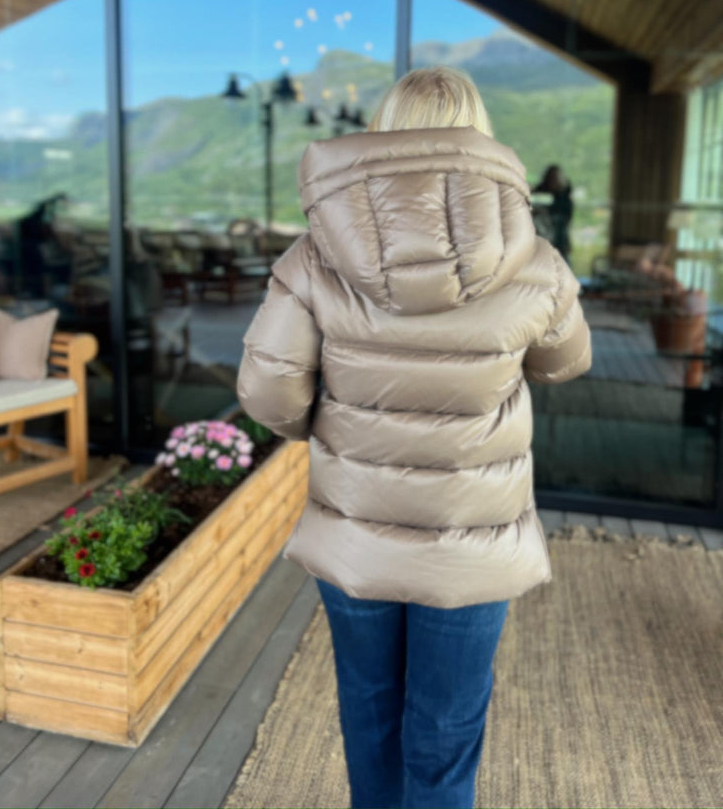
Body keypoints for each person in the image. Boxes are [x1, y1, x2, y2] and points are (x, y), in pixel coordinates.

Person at [236, 67, 591, 809]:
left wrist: (329, 425)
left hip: (356, 530)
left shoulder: (314, 254)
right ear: (479, 134)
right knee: (446, 733)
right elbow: (566, 363)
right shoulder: (534, 259)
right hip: (472, 543)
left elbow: (268, 392)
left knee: (369, 712)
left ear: (382, 133)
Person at [532, 164, 574, 264]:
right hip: (544, 242)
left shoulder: (564, 200)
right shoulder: (541, 195)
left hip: (559, 242)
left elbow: (565, 221)